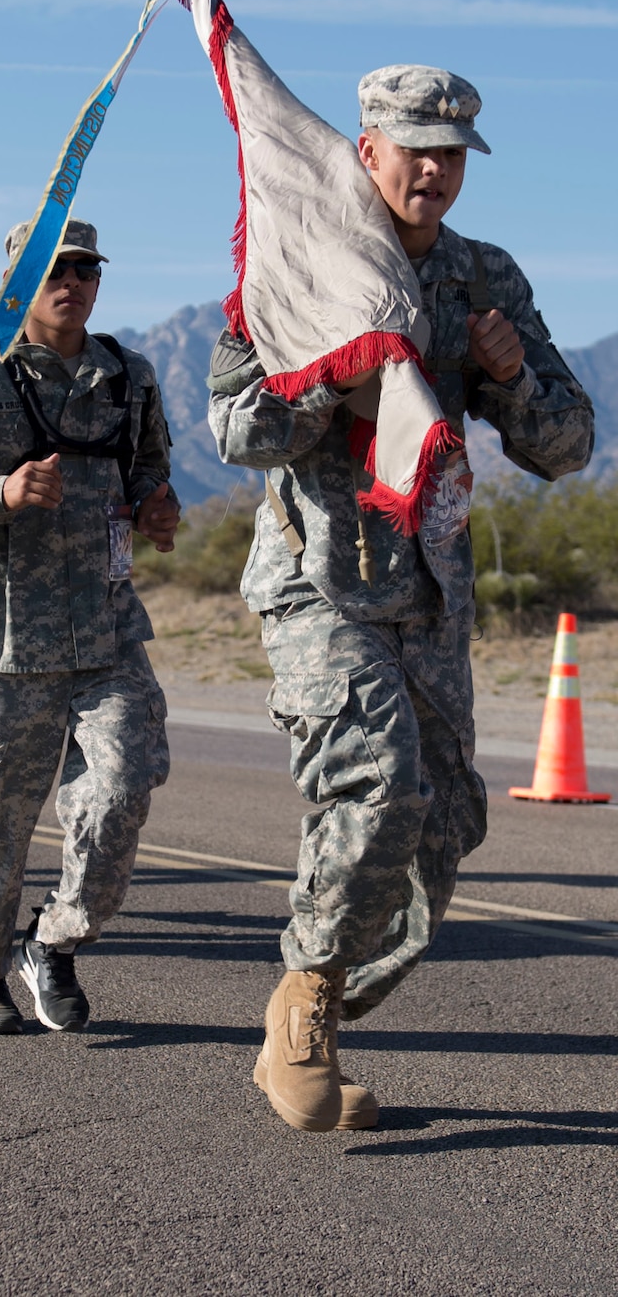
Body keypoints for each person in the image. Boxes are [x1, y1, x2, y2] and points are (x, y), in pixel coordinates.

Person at [209, 68, 594, 1131]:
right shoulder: (299, 255)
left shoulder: (483, 278)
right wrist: (331, 372)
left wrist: (510, 378)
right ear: (365, 147)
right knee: (375, 786)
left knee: (444, 829)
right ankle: (309, 1005)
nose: (432, 168)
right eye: (413, 146)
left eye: (451, 153)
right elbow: (234, 432)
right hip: (317, 577)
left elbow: (567, 447)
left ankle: (310, 995)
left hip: (428, 590)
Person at [0, 219, 181, 1036]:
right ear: (20, 276)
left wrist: (158, 506)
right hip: (8, 644)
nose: (73, 281)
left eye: (85, 268)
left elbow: (149, 467)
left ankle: (52, 942)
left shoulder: (130, 376)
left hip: (110, 634)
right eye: (55, 267)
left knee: (123, 791)